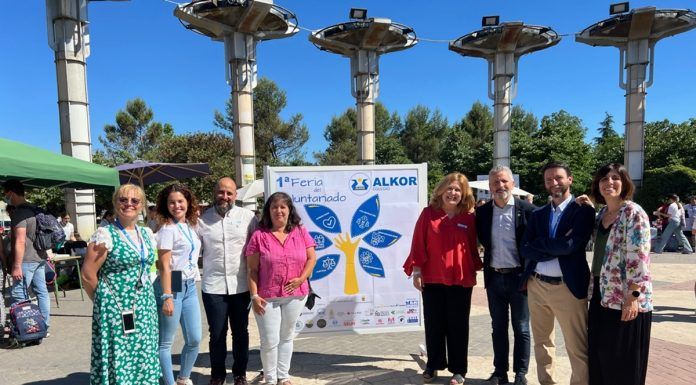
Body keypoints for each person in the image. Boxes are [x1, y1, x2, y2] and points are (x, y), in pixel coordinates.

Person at [403, 173, 482, 385]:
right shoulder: (428, 214)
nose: (453, 193)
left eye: (457, 190)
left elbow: (474, 247)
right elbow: (418, 243)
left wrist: (478, 267)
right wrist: (417, 272)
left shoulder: (469, 217)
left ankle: (459, 370)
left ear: (463, 194)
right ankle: (433, 365)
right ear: (440, 190)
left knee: (458, 325)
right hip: (432, 277)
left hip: (461, 278)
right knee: (434, 324)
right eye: (449, 188)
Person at [520, 161, 595, 385]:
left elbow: (570, 246)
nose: (554, 183)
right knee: (542, 343)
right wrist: (553, 245)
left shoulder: (583, 211)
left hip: (568, 287)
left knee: (576, 346)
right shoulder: (538, 214)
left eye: (559, 178)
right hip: (537, 285)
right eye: (549, 179)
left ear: (569, 179)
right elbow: (525, 247)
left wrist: (540, 245)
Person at [82, 184, 160, 385]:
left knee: (144, 354)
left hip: (144, 306)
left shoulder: (146, 234)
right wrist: (104, 302)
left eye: (135, 201)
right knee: (119, 356)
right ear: (115, 203)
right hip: (115, 309)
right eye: (123, 200)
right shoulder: (105, 234)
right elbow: (88, 275)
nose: (129, 204)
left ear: (142, 205)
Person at [587, 163, 652, 385]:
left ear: (624, 182)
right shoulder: (602, 214)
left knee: (623, 363)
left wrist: (633, 297)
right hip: (600, 294)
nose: (609, 183)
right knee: (601, 357)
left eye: (615, 178)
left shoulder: (633, 213)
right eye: (604, 179)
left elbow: (639, 257)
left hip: (625, 298)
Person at [246, 192, 317, 385]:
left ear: (289, 210)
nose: (279, 211)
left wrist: (301, 278)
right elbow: (251, 269)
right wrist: (254, 296)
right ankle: (270, 378)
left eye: (283, 207)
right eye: (274, 207)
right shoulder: (259, 236)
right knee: (269, 340)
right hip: (267, 296)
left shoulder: (300, 232)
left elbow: (312, 258)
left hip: (296, 295)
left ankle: (283, 376)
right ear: (268, 211)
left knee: (286, 337)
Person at [476, 166, 536, 385]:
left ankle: (521, 373)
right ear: (489, 187)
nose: (499, 186)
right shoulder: (481, 213)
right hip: (494, 279)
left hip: (520, 280)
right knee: (498, 328)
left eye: (504, 182)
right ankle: (499, 372)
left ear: (512, 184)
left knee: (521, 328)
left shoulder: (528, 210)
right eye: (495, 183)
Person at [197, 177, 257, 385]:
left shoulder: (249, 218)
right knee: (217, 334)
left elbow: (259, 246)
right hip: (213, 287)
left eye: (229, 193)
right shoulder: (202, 221)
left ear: (235, 195)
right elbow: (189, 251)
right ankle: (217, 374)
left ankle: (240, 373)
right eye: (221, 192)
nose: (225, 197)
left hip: (241, 286)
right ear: (215, 192)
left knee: (241, 332)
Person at [154, 184, 202, 385]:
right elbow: (164, 266)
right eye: (171, 202)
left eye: (180, 201)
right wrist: (167, 296)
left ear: (188, 202)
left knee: (194, 339)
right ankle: (169, 382)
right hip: (172, 281)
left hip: (190, 282)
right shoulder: (167, 228)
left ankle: (183, 378)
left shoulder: (190, 225)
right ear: (166, 205)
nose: (176, 206)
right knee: (166, 342)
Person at [3, 179, 51, 331]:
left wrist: (16, 266)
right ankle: (44, 326)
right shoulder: (36, 209)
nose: (5, 197)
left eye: (5, 194)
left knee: (18, 293)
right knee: (42, 292)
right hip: (40, 257)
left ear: (11, 192)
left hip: (26, 260)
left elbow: (20, 241)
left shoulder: (20, 213)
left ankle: (29, 328)